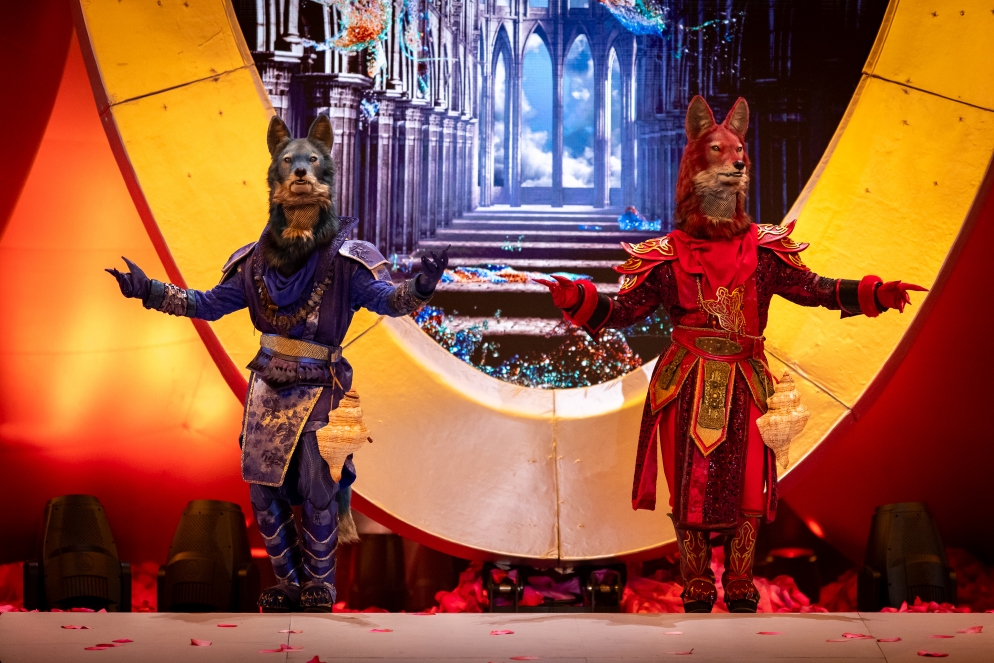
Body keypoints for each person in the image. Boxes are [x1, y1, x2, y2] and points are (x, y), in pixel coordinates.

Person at [536, 96, 925, 613]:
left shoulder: (764, 250)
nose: (735, 160)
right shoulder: (667, 256)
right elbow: (624, 311)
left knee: (748, 484)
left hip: (747, 379)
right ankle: (697, 579)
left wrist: (874, 292)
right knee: (689, 485)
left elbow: (813, 288)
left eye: (739, 151)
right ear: (696, 163)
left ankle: (740, 578)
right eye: (719, 151)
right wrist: (578, 298)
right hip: (686, 381)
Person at [107, 114, 448, 611]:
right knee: (264, 495)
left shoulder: (348, 260)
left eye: (311, 162)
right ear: (276, 177)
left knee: (317, 485)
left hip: (320, 386)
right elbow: (208, 303)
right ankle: (288, 584)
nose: (301, 171)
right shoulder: (252, 263)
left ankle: (319, 585)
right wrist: (151, 291)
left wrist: (421, 286)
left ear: (325, 175)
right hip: (267, 388)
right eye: (290, 162)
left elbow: (387, 301)